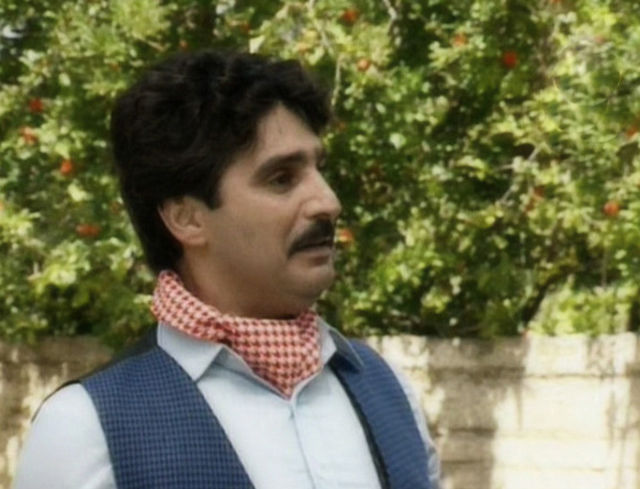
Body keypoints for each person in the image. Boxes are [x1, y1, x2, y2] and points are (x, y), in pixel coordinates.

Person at [12, 49, 440, 489]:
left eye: (319, 169)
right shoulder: (87, 430)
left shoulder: (388, 393)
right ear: (187, 218)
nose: (328, 202)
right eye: (281, 179)